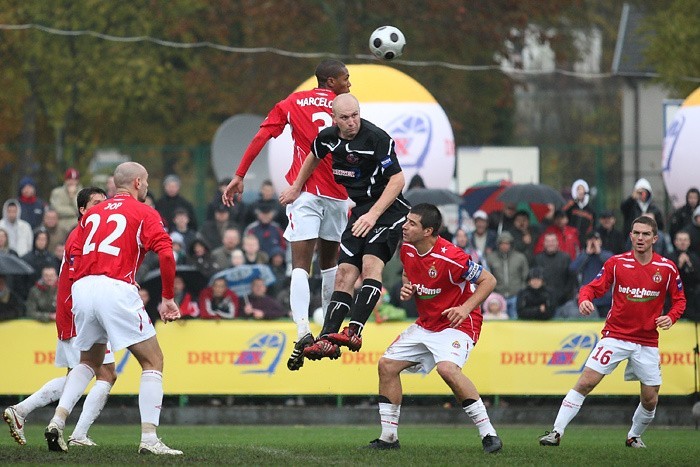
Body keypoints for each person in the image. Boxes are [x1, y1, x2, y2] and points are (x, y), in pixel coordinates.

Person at [43, 162, 182, 455]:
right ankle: (149, 438)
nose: (146, 187)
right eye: (144, 182)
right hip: (115, 286)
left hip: (83, 287)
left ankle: (57, 420)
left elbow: (74, 255)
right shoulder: (144, 211)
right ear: (137, 183)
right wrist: (167, 297)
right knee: (153, 361)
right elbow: (167, 254)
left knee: (88, 362)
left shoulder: (92, 213)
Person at [222, 59, 351, 371]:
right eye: (346, 78)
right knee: (330, 265)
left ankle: (303, 331)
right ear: (331, 81)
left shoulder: (292, 102)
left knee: (300, 267)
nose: (350, 84)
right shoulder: (346, 107)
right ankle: (328, 331)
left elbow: (261, 137)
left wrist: (240, 175)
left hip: (304, 192)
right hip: (337, 194)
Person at [279, 93, 410, 361]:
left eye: (356, 115)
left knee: (371, 264)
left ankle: (355, 330)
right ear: (334, 119)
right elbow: (313, 156)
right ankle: (327, 338)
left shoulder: (377, 138)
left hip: (387, 208)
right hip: (360, 209)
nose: (352, 122)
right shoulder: (327, 137)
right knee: (344, 273)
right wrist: (296, 187)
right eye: (345, 118)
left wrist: (373, 215)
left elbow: (398, 180)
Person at [539, 215, 686, 449]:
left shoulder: (666, 267)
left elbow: (679, 301)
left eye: (645, 234)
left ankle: (634, 436)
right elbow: (591, 287)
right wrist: (584, 299)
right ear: (630, 236)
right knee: (586, 382)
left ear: (654, 238)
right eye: (636, 233)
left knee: (650, 398)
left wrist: (671, 316)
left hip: (647, 341)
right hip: (615, 336)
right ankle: (556, 432)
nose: (640, 238)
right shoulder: (616, 263)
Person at [366, 203, 502, 453]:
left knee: (447, 370)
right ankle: (388, 438)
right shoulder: (406, 246)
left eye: (412, 223)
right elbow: (409, 274)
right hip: (427, 323)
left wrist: (464, 308)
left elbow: (488, 280)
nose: (405, 226)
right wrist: (408, 287)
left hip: (457, 323)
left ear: (428, 231)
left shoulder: (451, 255)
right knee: (386, 366)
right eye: (406, 221)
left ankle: (489, 434)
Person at [4, 187, 118, 447]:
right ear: (82, 209)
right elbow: (81, 278)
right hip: (79, 313)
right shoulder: (80, 237)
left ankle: (21, 411)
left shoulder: (89, 234)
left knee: (76, 377)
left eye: (105, 202)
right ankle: (78, 434)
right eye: (97, 203)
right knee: (106, 373)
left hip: (77, 311)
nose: (103, 207)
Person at [568, 231, 613, 318]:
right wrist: (586, 253)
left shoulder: (607, 254)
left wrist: (599, 252)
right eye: (590, 240)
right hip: (588, 300)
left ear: (600, 241)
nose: (593, 242)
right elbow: (573, 269)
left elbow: (613, 266)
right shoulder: (583, 256)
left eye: (596, 239)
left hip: (605, 300)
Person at [485, 231, 529, 319]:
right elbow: (487, 277)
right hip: (497, 297)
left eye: (507, 243)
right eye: (502, 243)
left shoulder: (520, 258)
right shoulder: (491, 258)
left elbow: (525, 276)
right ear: (498, 244)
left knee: (516, 321)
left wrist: (522, 292)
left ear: (511, 244)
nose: (505, 246)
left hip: (516, 296)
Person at [563, 179, 596, 248]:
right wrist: (576, 200)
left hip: (584, 241)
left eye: (582, 189)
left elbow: (592, 226)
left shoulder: (590, 210)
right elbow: (563, 212)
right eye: (578, 189)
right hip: (571, 238)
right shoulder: (571, 206)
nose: (581, 192)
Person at [50, 168, 82, 232]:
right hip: (60, 226)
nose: (72, 182)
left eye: (75, 179)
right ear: (66, 180)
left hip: (77, 225)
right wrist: (74, 212)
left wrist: (73, 197)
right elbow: (57, 210)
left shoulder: (83, 192)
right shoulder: (57, 192)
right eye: (70, 179)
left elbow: (81, 210)